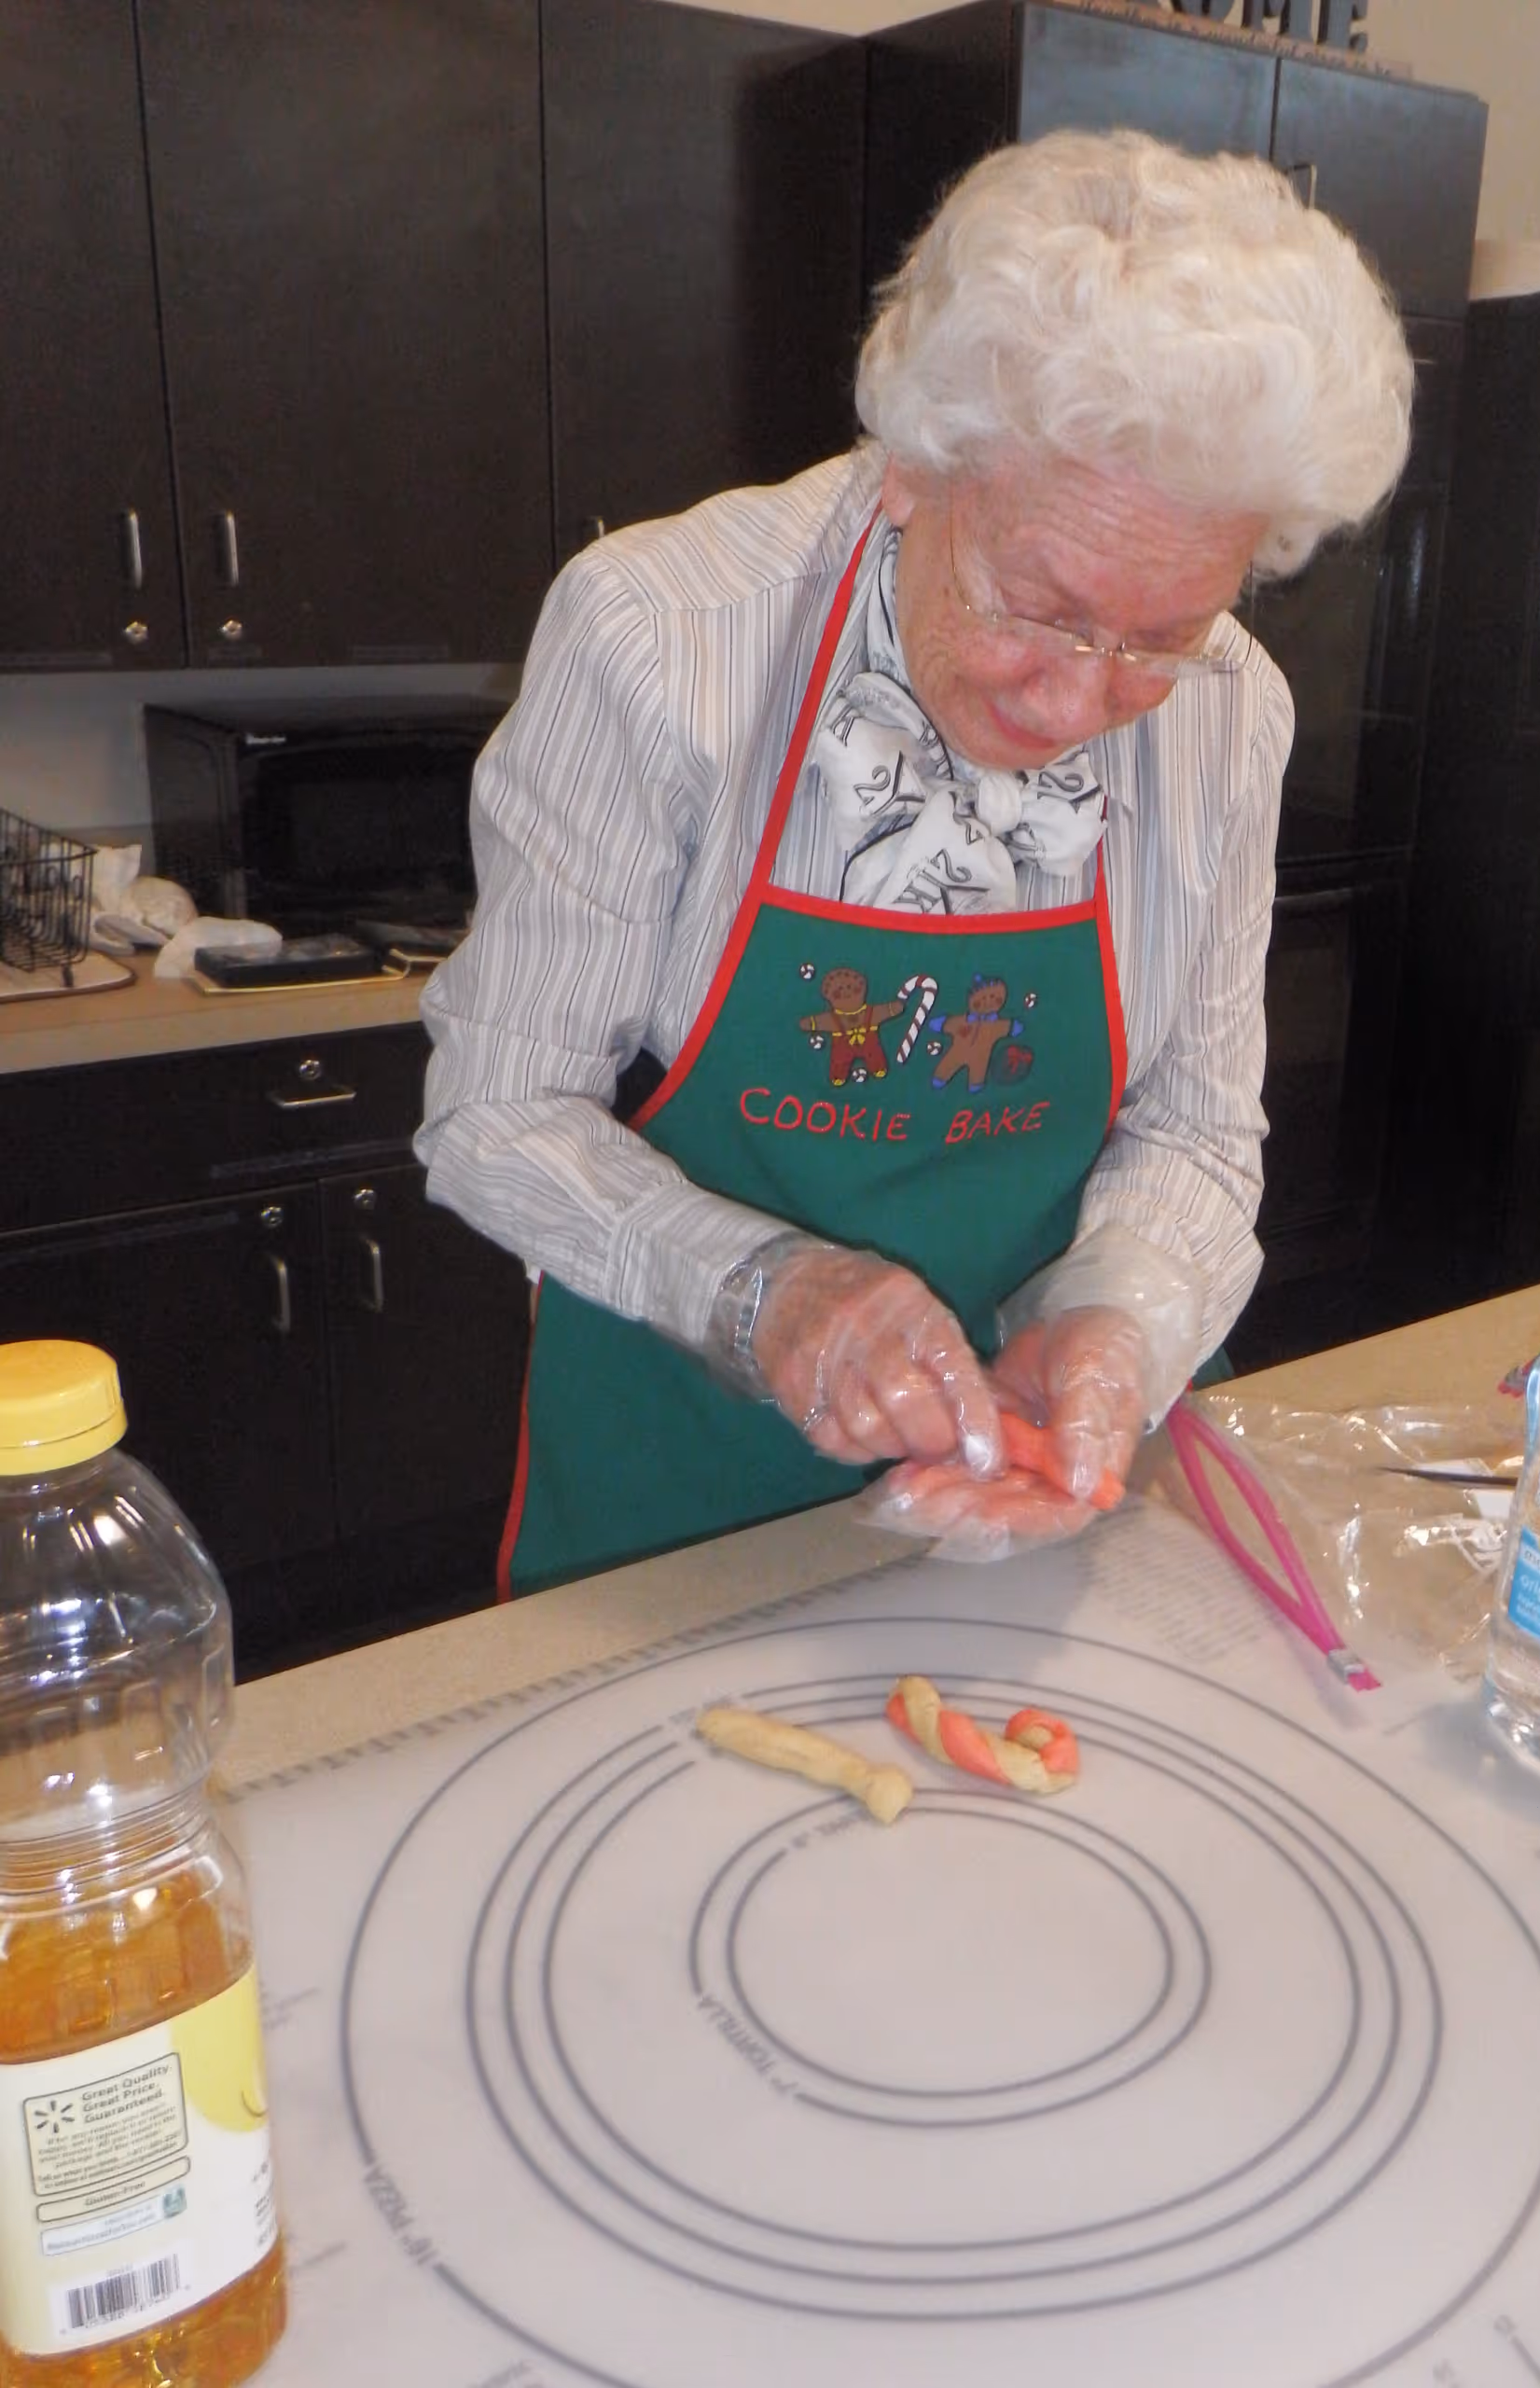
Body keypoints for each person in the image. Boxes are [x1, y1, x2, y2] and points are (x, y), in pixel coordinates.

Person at [415, 129, 1413, 1592]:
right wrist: (766, 1291)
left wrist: (1117, 1328)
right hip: (669, 1500)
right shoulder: (662, 640)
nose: (1078, 701)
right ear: (909, 472)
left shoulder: (1233, 712)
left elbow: (1197, 1136)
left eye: (1159, 636)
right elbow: (498, 1115)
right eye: (1037, 604)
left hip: (1019, 1497)